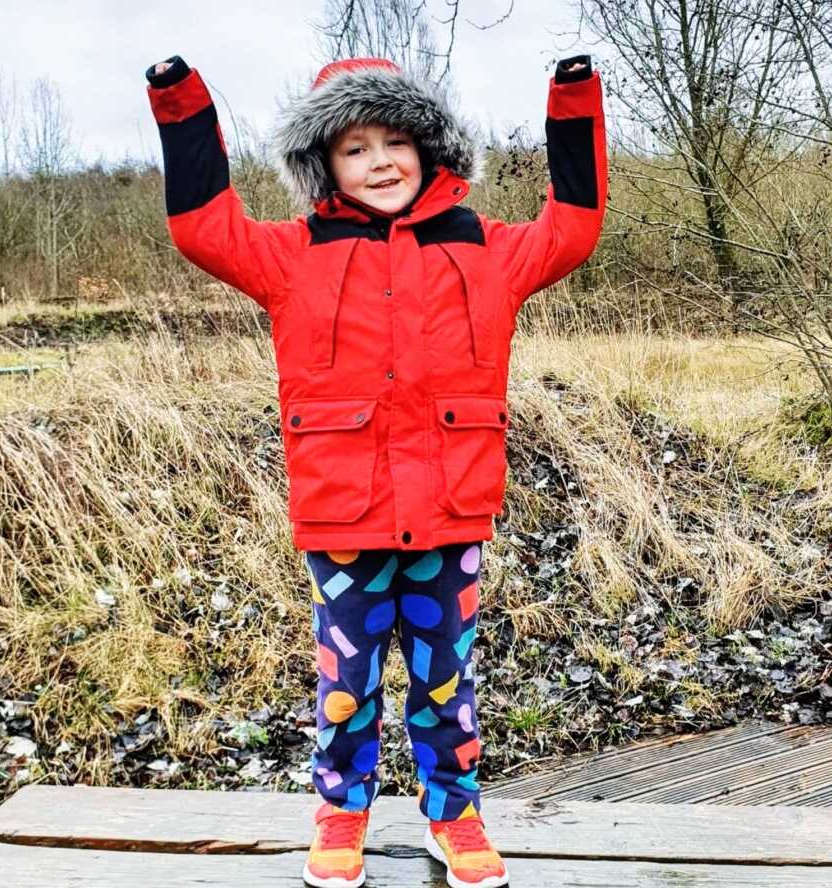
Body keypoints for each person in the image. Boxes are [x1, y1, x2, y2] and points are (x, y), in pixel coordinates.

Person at [145, 49, 606, 888]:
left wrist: (572, 99)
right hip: (344, 517)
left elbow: (572, 225)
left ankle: (454, 814)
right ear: (324, 161)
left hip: (449, 513)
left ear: (429, 149)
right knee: (346, 679)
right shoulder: (292, 255)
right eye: (355, 147)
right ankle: (341, 812)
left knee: (445, 678)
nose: (380, 161)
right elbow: (201, 227)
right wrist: (180, 100)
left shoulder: (488, 249)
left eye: (395, 140)